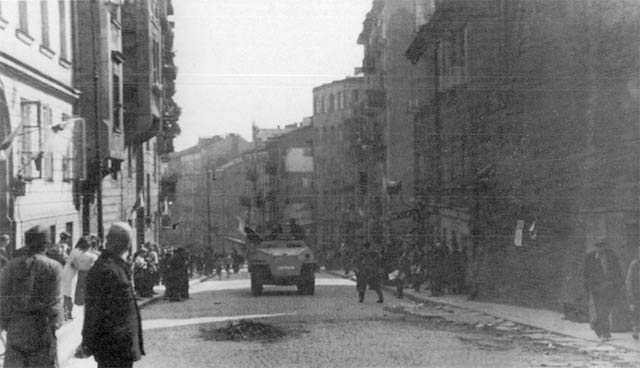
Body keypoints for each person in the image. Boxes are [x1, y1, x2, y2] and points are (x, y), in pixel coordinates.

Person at [81, 222, 144, 368]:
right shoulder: (105, 269)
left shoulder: (117, 266)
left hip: (120, 345)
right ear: (122, 243)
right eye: (127, 241)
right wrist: (87, 343)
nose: (128, 245)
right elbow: (93, 310)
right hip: (112, 346)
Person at [0, 225, 63, 368]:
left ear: (27, 243)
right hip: (41, 328)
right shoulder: (53, 267)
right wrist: (56, 323)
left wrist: (3, 323)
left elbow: (3, 298)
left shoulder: (10, 266)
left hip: (16, 327)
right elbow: (55, 302)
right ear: (46, 244)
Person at [584, 238, 623, 341]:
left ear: (606, 247)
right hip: (597, 289)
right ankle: (604, 333)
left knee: (606, 311)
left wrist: (616, 284)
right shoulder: (590, 257)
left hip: (610, 288)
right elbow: (586, 274)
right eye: (598, 246)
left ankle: (598, 327)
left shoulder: (612, 256)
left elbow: (618, 271)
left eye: (602, 246)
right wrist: (590, 287)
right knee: (601, 310)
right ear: (595, 247)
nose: (600, 248)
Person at [626, 247, 640, 340]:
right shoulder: (634, 264)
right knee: (636, 312)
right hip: (636, 293)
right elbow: (629, 280)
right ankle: (635, 330)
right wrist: (630, 293)